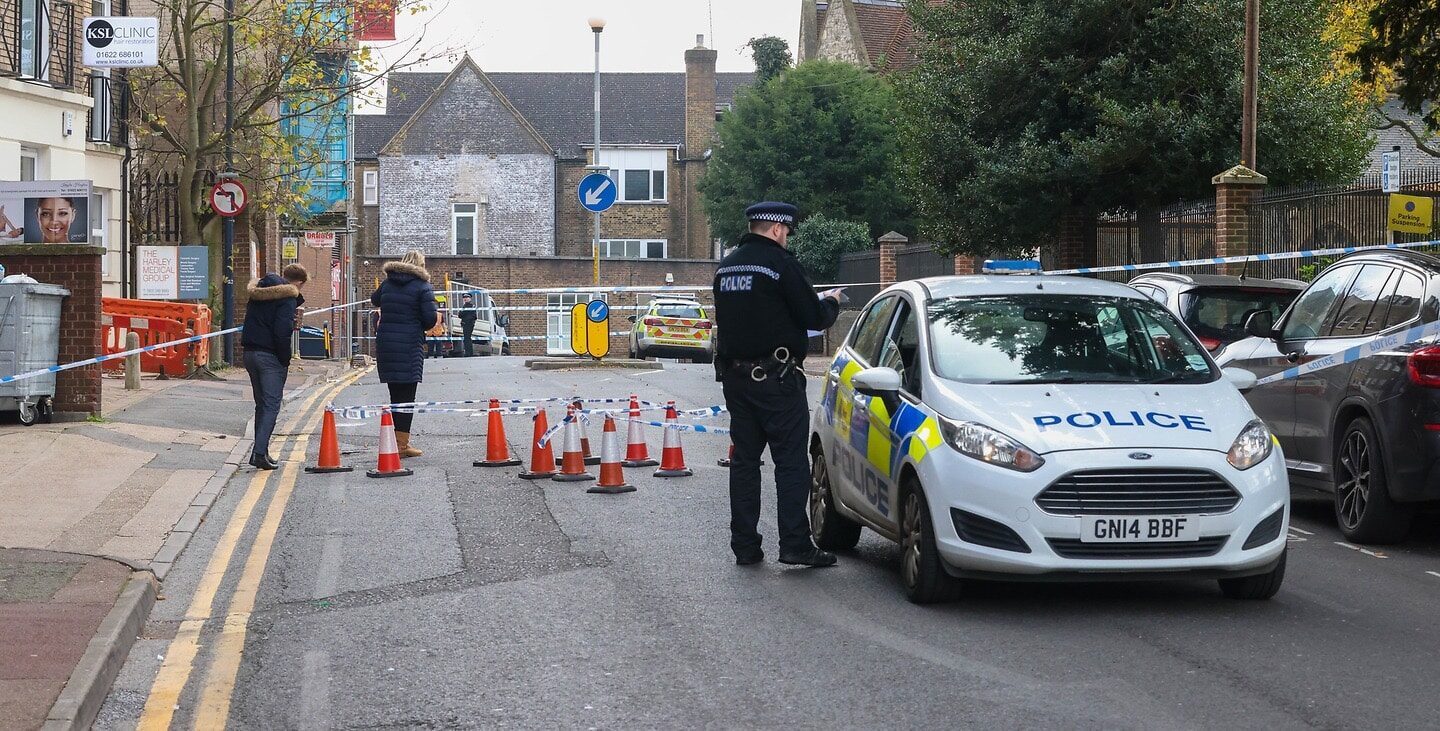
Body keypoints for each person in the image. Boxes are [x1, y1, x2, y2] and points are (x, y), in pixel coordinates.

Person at [713, 202, 845, 567]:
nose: (787, 238)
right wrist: (831, 303)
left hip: (737, 380)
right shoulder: (780, 266)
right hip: (777, 379)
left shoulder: (726, 268)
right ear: (775, 229)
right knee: (790, 463)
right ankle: (795, 544)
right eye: (786, 232)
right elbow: (811, 315)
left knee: (744, 462)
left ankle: (745, 546)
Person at [372, 250, 440, 458]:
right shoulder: (422, 286)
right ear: (421, 264)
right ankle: (401, 445)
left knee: (395, 395)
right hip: (409, 343)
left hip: (387, 344)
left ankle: (395, 441)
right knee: (407, 397)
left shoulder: (387, 283)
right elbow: (430, 320)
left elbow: (375, 300)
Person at [241, 263, 308, 470]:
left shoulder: (258, 293)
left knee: (261, 404)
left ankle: (261, 451)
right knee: (271, 405)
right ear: (298, 282)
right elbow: (281, 332)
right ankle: (259, 453)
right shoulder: (287, 298)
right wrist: (285, 358)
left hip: (250, 353)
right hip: (270, 356)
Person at [457, 293, 478, 357]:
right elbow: (459, 315)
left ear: (470, 298)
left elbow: (474, 316)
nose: (465, 299)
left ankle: (468, 353)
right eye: (464, 298)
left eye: (467, 297)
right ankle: (469, 352)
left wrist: (465, 315)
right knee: (467, 338)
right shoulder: (464, 306)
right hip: (465, 324)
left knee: (467, 338)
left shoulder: (471, 306)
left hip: (469, 324)